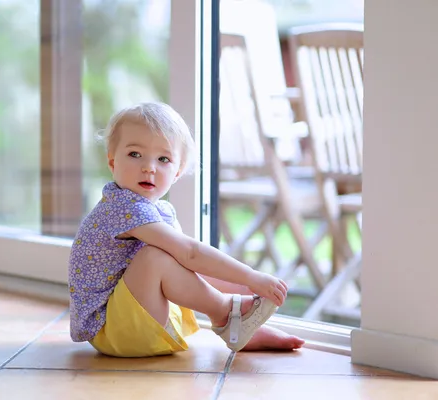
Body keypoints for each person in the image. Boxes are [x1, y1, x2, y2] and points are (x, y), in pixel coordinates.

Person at [68, 102, 304, 357]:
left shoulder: (159, 212)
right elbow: (190, 252)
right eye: (135, 154)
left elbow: (188, 264)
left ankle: (238, 325)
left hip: (131, 319)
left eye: (163, 159)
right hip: (112, 329)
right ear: (112, 162)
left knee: (166, 254)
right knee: (155, 256)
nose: (149, 167)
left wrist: (240, 285)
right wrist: (250, 277)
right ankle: (227, 313)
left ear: (177, 172)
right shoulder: (122, 206)